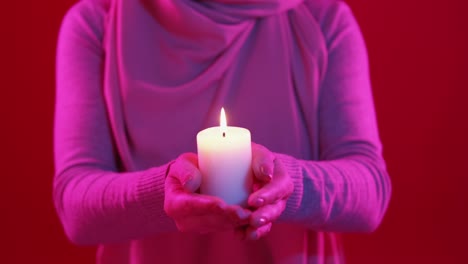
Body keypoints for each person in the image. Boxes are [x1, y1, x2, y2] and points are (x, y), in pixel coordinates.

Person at [53, 0, 392, 263]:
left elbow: (370, 194)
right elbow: (76, 208)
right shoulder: (98, 21)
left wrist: (287, 186)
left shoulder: (321, 18)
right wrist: (164, 196)